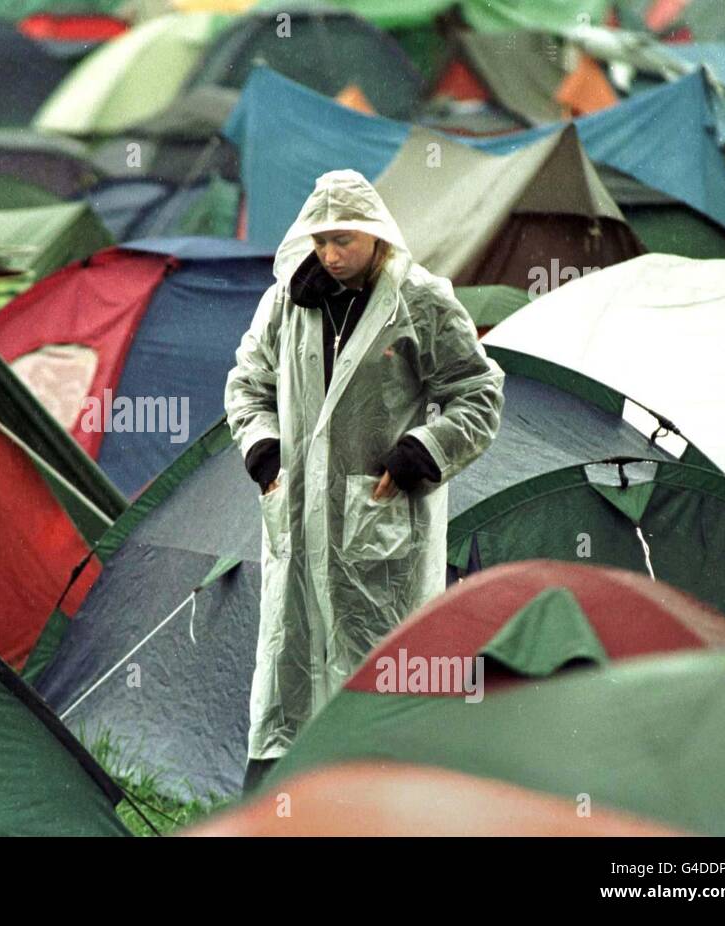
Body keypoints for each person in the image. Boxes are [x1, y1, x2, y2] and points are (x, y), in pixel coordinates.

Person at [224, 170, 505, 795]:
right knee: (289, 677)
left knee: (380, 673)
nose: (330, 253)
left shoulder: (421, 303)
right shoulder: (286, 304)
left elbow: (478, 394)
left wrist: (417, 455)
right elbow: (248, 382)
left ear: (375, 236)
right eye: (321, 239)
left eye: (343, 239)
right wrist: (265, 453)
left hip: (378, 532)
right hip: (298, 523)